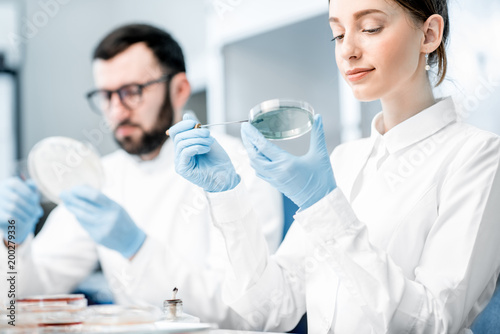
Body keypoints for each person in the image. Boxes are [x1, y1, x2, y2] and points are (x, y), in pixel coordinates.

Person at [168, 0, 500, 332]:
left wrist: (323, 206)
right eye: (338, 35)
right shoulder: (345, 159)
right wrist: (227, 195)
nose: (348, 51)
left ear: (429, 34)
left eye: (370, 28)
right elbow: (270, 309)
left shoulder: (478, 155)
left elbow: (434, 323)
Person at [0, 24, 283, 327]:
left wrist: (136, 247)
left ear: (179, 89)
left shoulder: (237, 168)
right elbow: (21, 296)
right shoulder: (101, 177)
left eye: (131, 92)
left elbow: (247, 312)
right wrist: (13, 241)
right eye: (105, 95)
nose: (116, 111)